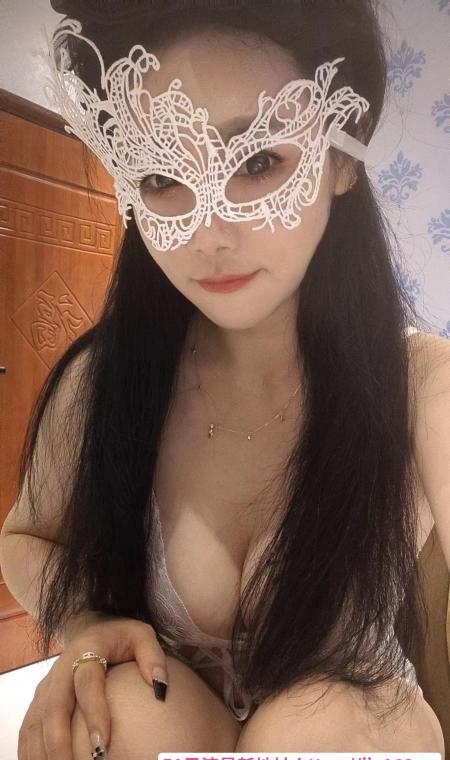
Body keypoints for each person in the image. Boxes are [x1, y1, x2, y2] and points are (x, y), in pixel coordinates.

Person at [0, 0, 448, 758]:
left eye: (259, 161)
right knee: (110, 710)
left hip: (354, 730)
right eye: (161, 175)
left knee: (322, 730)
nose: (209, 235)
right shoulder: (105, 382)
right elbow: (25, 537)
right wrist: (85, 621)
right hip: (170, 718)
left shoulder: (424, 389)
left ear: (342, 156)